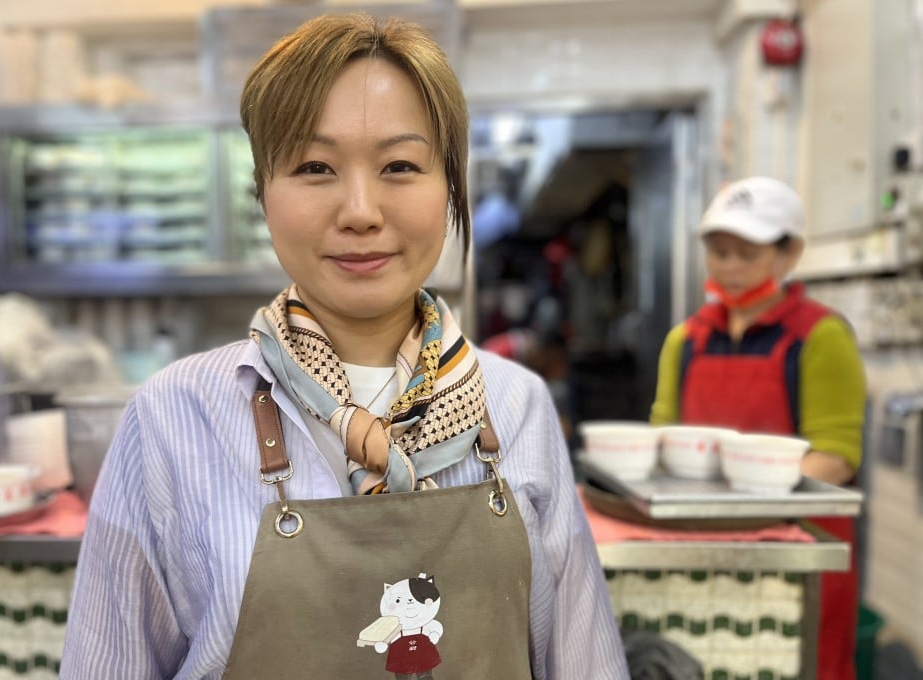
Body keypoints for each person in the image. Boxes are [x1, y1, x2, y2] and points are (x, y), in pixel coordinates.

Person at [60, 13, 629, 679]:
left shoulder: (517, 406)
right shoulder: (171, 418)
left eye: (400, 164)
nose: (360, 209)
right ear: (262, 193)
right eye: (314, 166)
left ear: (449, 189)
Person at [650, 175, 867, 680]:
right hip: (702, 549)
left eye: (746, 254)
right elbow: (663, 438)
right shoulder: (686, 340)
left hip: (798, 555)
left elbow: (834, 457)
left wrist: (742, 501)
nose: (728, 268)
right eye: (718, 252)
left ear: (788, 254)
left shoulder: (820, 336)